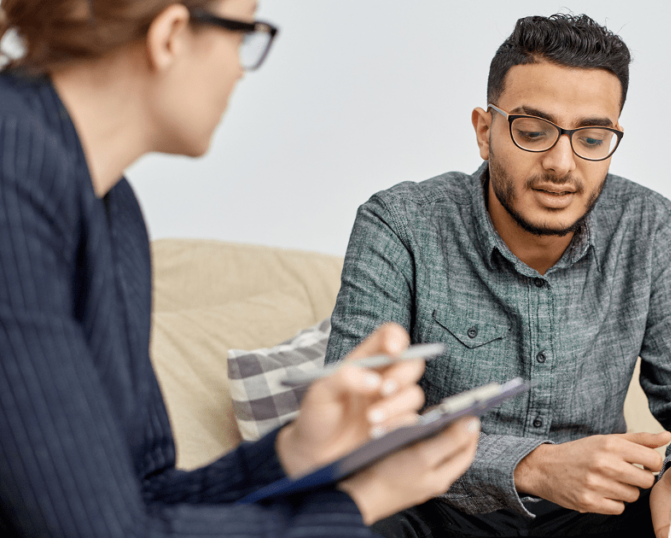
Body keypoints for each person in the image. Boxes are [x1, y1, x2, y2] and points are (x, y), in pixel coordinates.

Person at [0, 0, 480, 536]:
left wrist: (295, 452)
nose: (241, 69)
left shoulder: (114, 209)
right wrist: (360, 500)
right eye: (244, 33)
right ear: (171, 35)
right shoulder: (12, 178)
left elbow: (147, 496)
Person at [324, 13, 671, 538]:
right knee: (343, 516)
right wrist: (533, 465)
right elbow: (354, 425)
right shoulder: (401, 223)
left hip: (594, 517)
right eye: (532, 132)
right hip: (435, 506)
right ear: (485, 132)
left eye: (592, 139)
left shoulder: (647, 224)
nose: (561, 164)